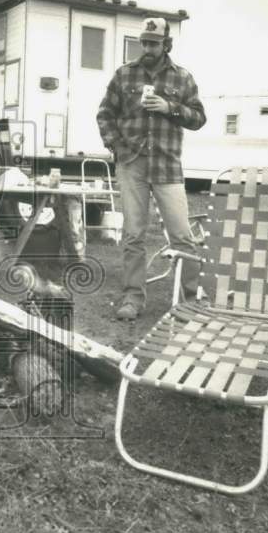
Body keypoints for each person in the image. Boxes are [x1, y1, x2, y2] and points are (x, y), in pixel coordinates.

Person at [96, 17, 207, 322]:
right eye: (144, 42)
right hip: (131, 164)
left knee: (181, 235)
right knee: (133, 234)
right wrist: (116, 147)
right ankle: (132, 297)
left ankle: (190, 299)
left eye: (154, 43)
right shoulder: (124, 75)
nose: (147, 47)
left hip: (167, 164)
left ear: (166, 45)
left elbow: (199, 118)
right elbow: (105, 114)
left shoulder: (182, 78)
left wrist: (169, 108)